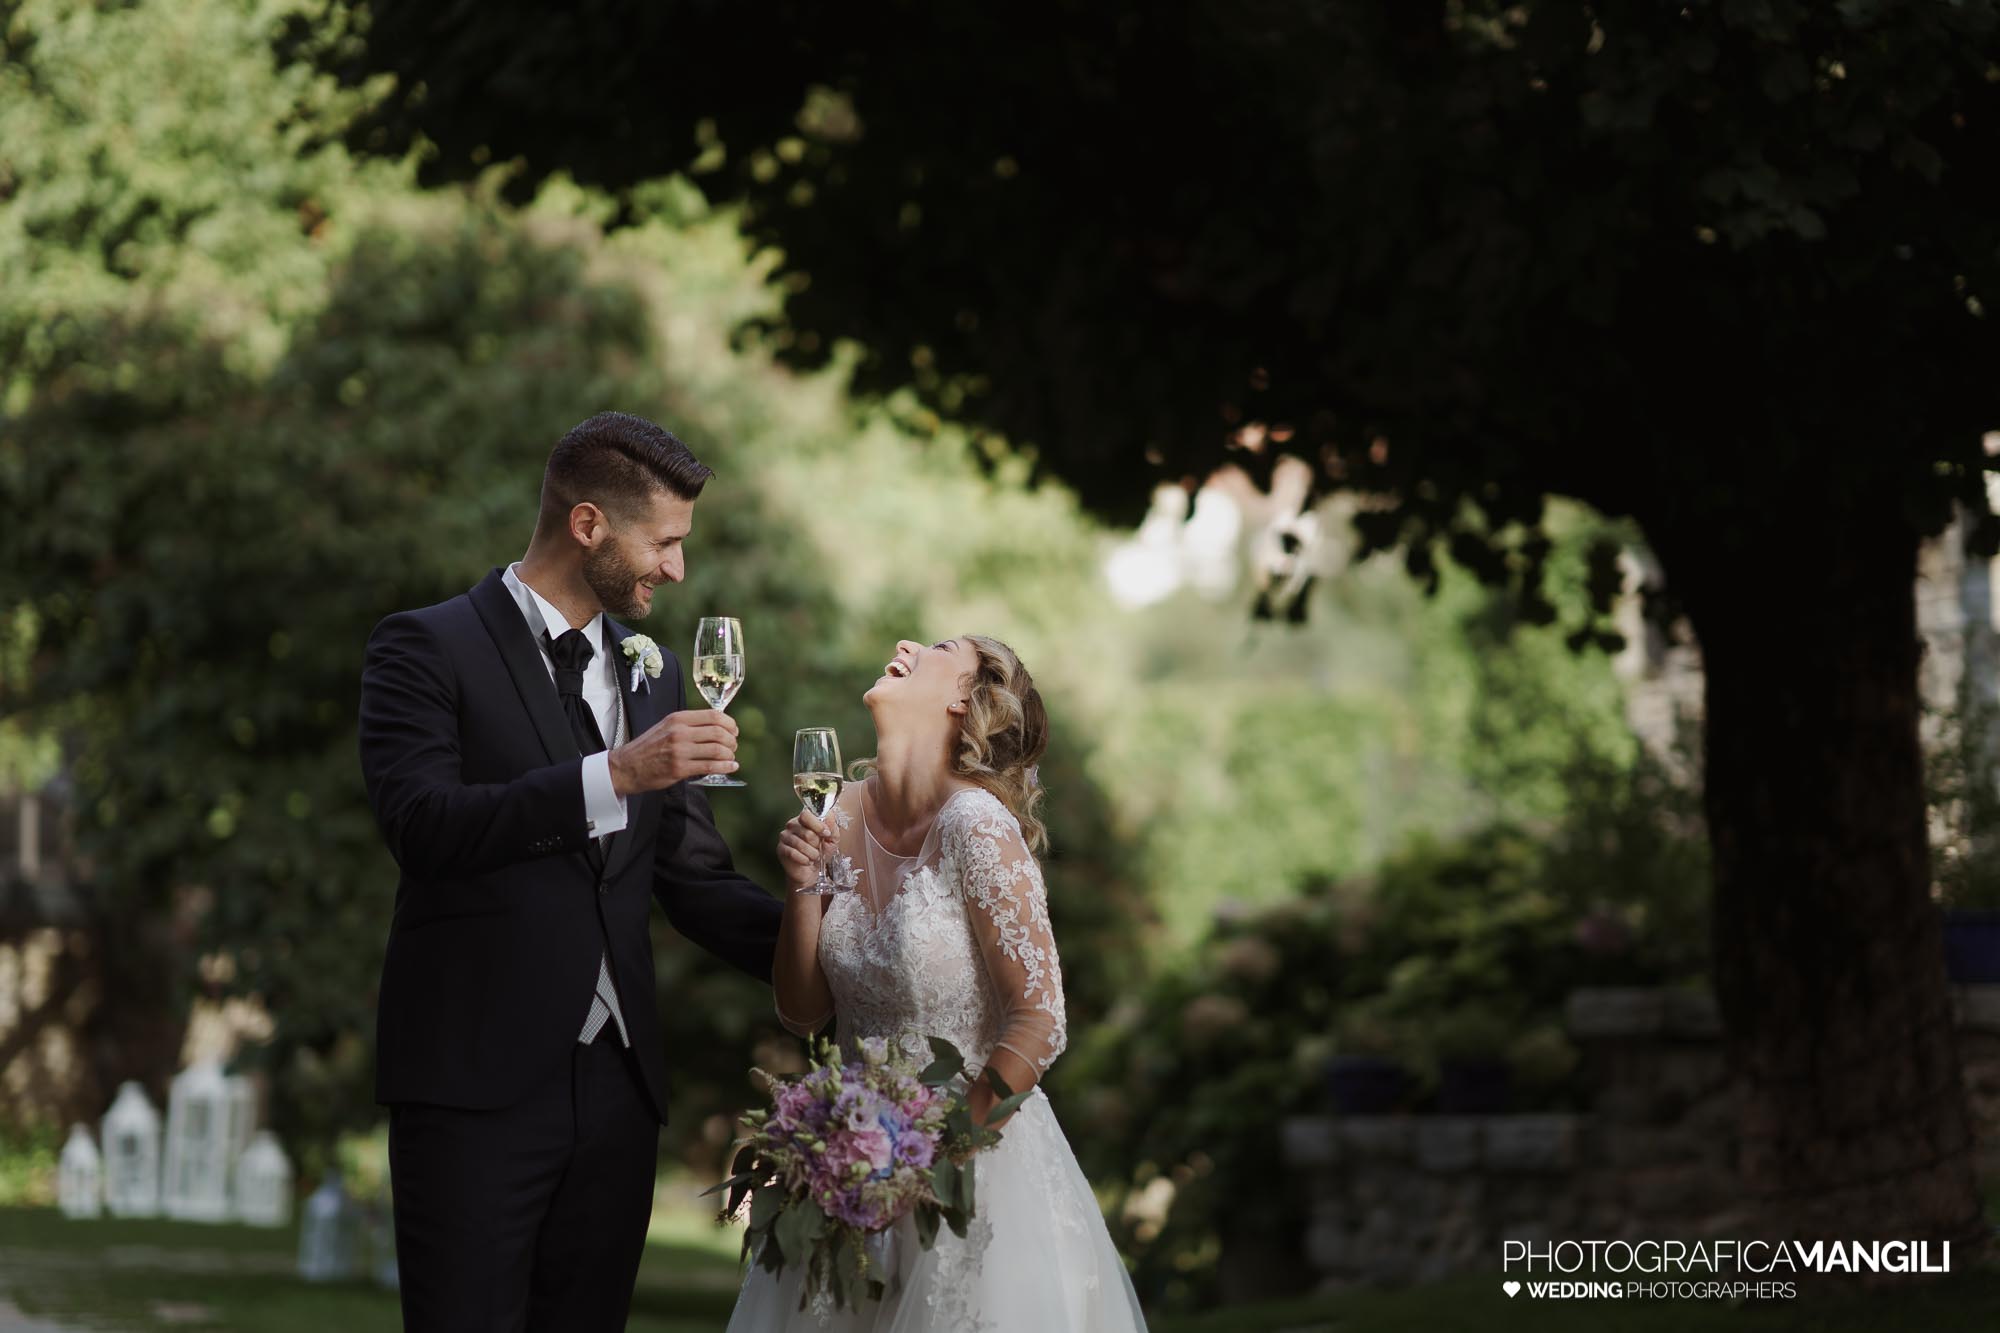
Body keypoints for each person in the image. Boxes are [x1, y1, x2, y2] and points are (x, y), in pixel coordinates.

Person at [358, 410, 783, 1331]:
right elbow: (423, 826)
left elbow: (693, 875)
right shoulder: (424, 646)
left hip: (618, 1091)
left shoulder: (656, 673)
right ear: (588, 525)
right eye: (663, 543)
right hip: (473, 1081)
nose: (676, 568)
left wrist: (834, 954)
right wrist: (619, 772)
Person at [727, 635, 1148, 1331]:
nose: (904, 643)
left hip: (972, 1173)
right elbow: (803, 1014)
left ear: (965, 699)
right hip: (850, 1170)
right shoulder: (839, 811)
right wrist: (803, 890)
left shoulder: (977, 826)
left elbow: (1041, 1020)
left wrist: (931, 1159)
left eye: (940, 647)